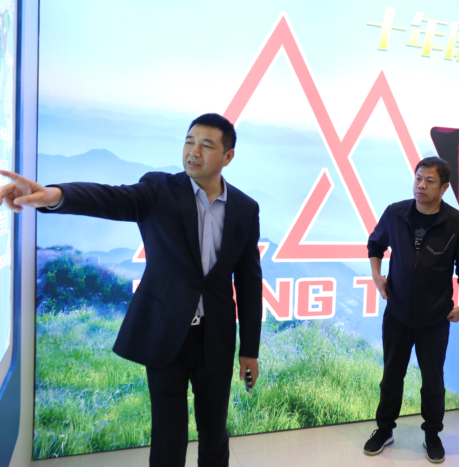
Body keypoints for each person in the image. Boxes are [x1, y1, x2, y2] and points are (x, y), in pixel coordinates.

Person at [0, 113, 262, 467]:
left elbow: (248, 281)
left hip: (215, 338)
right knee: (168, 437)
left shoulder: (245, 208)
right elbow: (109, 198)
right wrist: (53, 196)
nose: (193, 151)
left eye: (206, 145)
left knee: (214, 434)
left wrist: (249, 350)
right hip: (165, 334)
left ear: (228, 156)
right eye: (189, 141)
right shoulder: (159, 189)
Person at [363, 156, 459, 464]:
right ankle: (384, 429)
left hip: (435, 318)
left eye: (429, 181)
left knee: (433, 381)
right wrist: (376, 275)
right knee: (391, 376)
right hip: (397, 314)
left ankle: (432, 434)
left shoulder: (456, 223)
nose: (421, 185)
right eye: (418, 179)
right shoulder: (396, 212)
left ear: (444, 187)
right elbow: (375, 244)